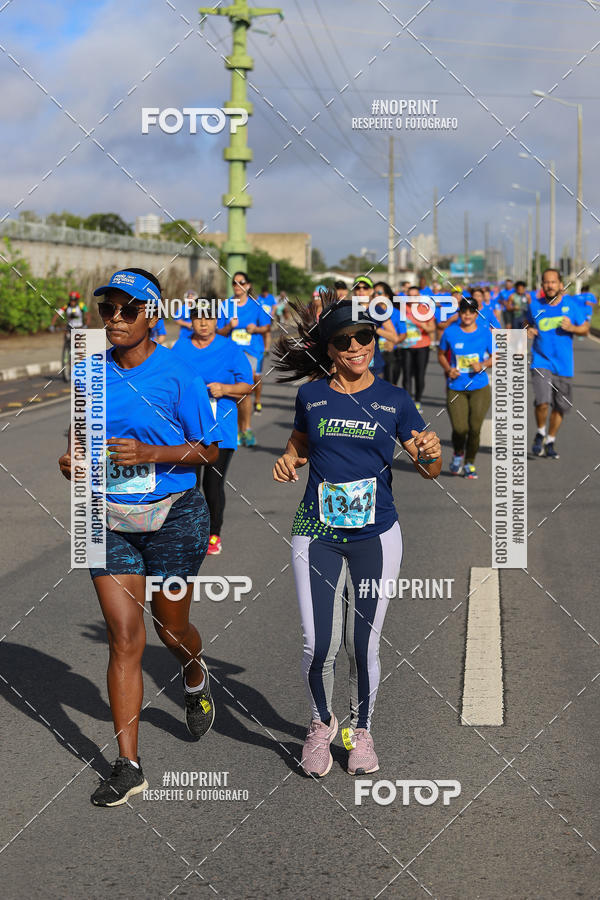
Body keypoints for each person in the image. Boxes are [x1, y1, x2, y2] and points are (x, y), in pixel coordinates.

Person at [58, 268, 221, 807]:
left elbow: (209, 450)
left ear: (152, 315)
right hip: (108, 519)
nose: (116, 318)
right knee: (125, 638)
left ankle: (194, 675)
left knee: (170, 632)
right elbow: (78, 440)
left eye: (129, 309)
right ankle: (128, 764)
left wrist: (152, 454)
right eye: (109, 308)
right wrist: (72, 462)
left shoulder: (178, 375)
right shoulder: (88, 373)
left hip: (174, 516)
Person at [272, 291, 441, 778]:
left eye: (363, 337)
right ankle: (321, 726)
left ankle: (361, 730)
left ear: (373, 341)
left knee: (362, 642)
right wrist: (290, 458)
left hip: (376, 533)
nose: (354, 347)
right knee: (318, 643)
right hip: (316, 529)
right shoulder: (311, 395)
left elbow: (429, 468)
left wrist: (429, 452)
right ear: (329, 348)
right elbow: (301, 442)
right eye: (343, 340)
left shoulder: (394, 399)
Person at [172, 300, 253, 555]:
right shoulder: (180, 346)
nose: (203, 323)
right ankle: (189, 531)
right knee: (188, 484)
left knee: (213, 485)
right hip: (187, 429)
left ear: (217, 321)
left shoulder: (230, 348)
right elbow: (169, 379)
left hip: (221, 429)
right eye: (198, 318)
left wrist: (225, 389)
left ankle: (213, 535)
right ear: (191, 321)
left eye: (209, 318)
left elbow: (247, 385)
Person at [527, 268, 589, 459]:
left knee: (560, 407)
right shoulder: (535, 306)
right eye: (546, 282)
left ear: (560, 284)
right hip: (540, 360)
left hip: (564, 365)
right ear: (542, 285)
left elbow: (585, 328)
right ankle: (540, 432)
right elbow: (526, 323)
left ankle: (551, 440)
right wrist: (528, 329)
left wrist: (573, 328)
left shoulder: (571, 304)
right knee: (543, 401)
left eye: (553, 282)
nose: (549, 285)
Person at [438, 297, 494, 479]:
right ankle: (457, 454)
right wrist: (449, 369)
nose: (467, 315)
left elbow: (496, 356)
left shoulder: (485, 333)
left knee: (475, 428)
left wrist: (484, 364)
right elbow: (441, 354)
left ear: (477, 313)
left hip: (479, 387)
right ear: (459, 313)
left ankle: (470, 462)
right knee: (460, 429)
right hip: (456, 387)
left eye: (471, 311)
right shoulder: (450, 332)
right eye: (464, 311)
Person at [218, 272, 270, 444]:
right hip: (230, 352)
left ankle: (246, 429)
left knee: (245, 388)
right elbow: (218, 332)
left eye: (241, 282)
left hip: (251, 351)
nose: (237, 286)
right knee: (232, 392)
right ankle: (235, 428)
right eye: (234, 283)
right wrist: (228, 327)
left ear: (248, 285)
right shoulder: (226, 305)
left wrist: (256, 329)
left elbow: (266, 327)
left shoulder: (256, 305)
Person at [351, 275, 395, 378]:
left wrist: (374, 328)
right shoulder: (348, 309)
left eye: (365, 287)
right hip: (352, 364)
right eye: (357, 287)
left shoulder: (377, 310)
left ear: (371, 291)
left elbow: (393, 337)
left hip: (373, 365)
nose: (361, 290)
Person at [401, 286, 436, 412]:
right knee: (406, 375)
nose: (412, 298)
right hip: (406, 346)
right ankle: (408, 401)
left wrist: (422, 324)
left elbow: (432, 328)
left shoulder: (425, 309)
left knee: (419, 375)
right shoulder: (402, 309)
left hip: (422, 346)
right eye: (410, 296)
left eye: (415, 296)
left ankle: (418, 400)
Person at [372, 281, 406, 384]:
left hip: (390, 353)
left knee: (390, 385)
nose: (376, 296)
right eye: (374, 293)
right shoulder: (369, 311)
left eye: (379, 293)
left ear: (386, 296)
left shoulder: (396, 312)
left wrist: (393, 342)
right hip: (374, 354)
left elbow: (403, 334)